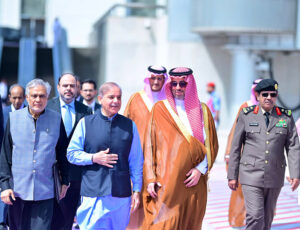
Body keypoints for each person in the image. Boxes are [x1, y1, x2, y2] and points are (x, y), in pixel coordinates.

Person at [142, 67, 218, 229]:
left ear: (189, 85)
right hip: (166, 181)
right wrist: (150, 177)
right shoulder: (160, 109)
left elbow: (210, 145)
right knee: (163, 224)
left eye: (182, 84)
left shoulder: (203, 110)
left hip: (194, 181)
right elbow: (149, 144)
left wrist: (200, 169)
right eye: (174, 84)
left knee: (190, 222)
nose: (177, 88)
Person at [67, 82, 144, 229]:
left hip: (120, 195)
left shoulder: (129, 126)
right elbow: (71, 154)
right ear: (100, 99)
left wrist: (137, 190)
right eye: (111, 97)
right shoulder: (86, 123)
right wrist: (93, 158)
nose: (116, 101)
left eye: (119, 97)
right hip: (93, 193)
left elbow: (136, 161)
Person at [228, 79, 300, 230]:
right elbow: (236, 146)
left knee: (267, 219)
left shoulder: (285, 117)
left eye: (272, 94)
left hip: (275, 175)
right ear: (258, 95)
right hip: (250, 174)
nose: (269, 97)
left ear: (276, 96)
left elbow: (293, 146)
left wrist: (295, 173)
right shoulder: (246, 115)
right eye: (264, 94)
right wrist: (232, 175)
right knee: (255, 216)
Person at [0, 79, 69, 230]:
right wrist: (4, 185)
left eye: (42, 96)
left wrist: (65, 181)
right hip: (17, 192)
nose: (38, 99)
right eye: (34, 95)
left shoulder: (56, 119)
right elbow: (5, 154)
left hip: (45, 190)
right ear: (27, 97)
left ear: (48, 98)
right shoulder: (14, 118)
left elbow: (62, 153)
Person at [124, 65, 167, 229]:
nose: (156, 82)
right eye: (153, 78)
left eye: (159, 79)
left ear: (164, 80)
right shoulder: (136, 98)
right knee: (135, 197)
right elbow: (125, 126)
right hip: (136, 157)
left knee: (157, 197)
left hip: (161, 159)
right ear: (148, 79)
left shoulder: (167, 102)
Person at [47, 73, 92, 230]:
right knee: (49, 218)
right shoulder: (47, 107)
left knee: (67, 219)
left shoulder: (85, 111)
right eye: (65, 85)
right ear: (58, 87)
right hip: (49, 173)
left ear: (77, 89)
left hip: (75, 175)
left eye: (72, 86)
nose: (68, 89)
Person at [224, 79, 262, 227]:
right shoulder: (245, 106)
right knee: (241, 190)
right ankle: (237, 221)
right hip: (245, 157)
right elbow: (235, 131)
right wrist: (230, 154)